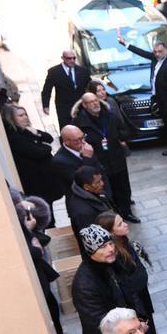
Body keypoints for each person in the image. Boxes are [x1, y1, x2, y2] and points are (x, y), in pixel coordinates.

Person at [16, 201, 75, 334]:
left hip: (40, 276)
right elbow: (35, 251)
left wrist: (30, 230)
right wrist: (29, 232)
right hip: (28, 281)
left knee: (52, 308)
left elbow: (43, 240)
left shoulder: (19, 214)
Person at [96, 211, 159, 334]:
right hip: (135, 299)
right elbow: (125, 284)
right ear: (111, 232)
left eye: (123, 221)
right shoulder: (116, 254)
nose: (125, 225)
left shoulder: (123, 241)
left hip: (141, 293)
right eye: (120, 224)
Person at [73, 93, 138, 222]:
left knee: (123, 187)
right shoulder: (79, 122)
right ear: (84, 105)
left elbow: (125, 131)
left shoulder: (110, 116)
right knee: (106, 190)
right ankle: (112, 215)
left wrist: (119, 137)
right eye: (91, 102)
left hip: (116, 157)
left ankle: (126, 212)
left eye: (96, 100)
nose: (95, 103)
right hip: (99, 162)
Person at [117, 35, 167, 150]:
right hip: (157, 98)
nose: (157, 54)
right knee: (166, 124)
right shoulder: (156, 59)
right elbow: (142, 53)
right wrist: (125, 43)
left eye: (160, 52)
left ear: (166, 51)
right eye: (155, 52)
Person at [2, 105, 63, 212]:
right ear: (12, 118)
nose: (25, 117)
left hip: (46, 180)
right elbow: (38, 152)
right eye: (21, 115)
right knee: (44, 212)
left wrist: (36, 132)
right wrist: (46, 147)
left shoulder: (27, 131)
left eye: (25, 114)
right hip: (36, 183)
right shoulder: (15, 137)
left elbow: (48, 138)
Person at [52, 125, 109, 199]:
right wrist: (87, 158)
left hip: (103, 193)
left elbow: (100, 170)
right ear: (67, 142)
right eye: (77, 140)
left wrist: (107, 192)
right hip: (86, 200)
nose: (83, 142)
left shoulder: (85, 146)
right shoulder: (59, 161)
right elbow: (81, 182)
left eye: (83, 137)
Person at [41, 50, 91, 128]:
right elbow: (47, 90)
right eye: (69, 58)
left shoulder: (83, 71)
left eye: (74, 58)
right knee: (67, 128)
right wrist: (46, 106)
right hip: (64, 108)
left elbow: (90, 86)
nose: (72, 60)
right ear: (63, 58)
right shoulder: (54, 72)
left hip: (81, 106)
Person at [67, 166, 116, 238]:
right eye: (98, 182)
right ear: (86, 187)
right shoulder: (83, 212)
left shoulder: (97, 192)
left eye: (101, 179)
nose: (102, 183)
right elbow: (91, 238)